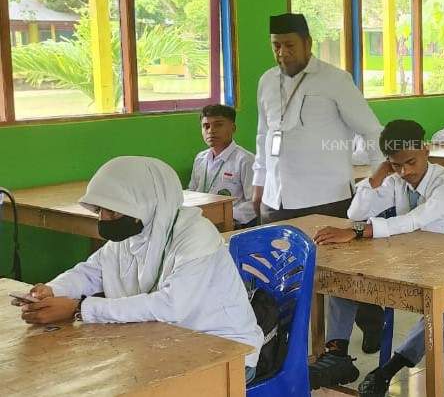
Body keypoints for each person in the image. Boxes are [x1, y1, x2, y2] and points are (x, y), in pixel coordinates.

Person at [15, 157, 264, 383]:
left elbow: (170, 306)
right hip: (164, 342)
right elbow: (91, 272)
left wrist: (80, 308)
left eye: (113, 210)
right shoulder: (133, 235)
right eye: (100, 210)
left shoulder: (196, 235)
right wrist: (51, 290)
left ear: (144, 204)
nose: (104, 218)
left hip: (225, 351)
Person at [304, 120, 444, 394]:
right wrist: (377, 176)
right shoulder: (396, 179)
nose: (405, 172)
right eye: (396, 165)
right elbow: (354, 214)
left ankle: (390, 368)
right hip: (412, 259)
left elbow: (414, 220)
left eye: (410, 162)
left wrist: (359, 232)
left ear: (426, 150)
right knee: (343, 274)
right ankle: (337, 354)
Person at [254, 13, 383, 222]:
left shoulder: (336, 79)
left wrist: (379, 180)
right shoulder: (266, 81)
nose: (282, 53)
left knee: (332, 256)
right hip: (275, 199)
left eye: (289, 45)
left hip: (327, 198)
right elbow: (263, 135)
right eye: (276, 46)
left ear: (308, 43)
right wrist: (259, 182)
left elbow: (371, 130)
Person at [187, 104, 257, 228]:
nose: (211, 130)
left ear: (233, 128)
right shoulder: (200, 158)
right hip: (200, 222)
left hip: (232, 223)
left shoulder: (245, 160)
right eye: (206, 126)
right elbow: (192, 191)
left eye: (218, 125)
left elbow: (254, 203)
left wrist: (225, 214)